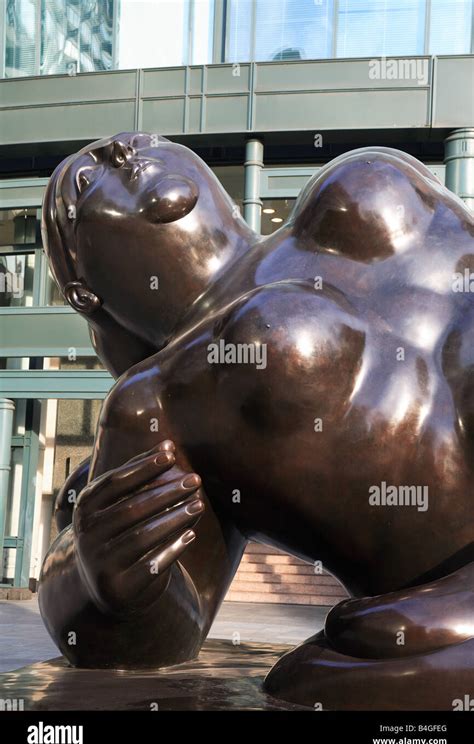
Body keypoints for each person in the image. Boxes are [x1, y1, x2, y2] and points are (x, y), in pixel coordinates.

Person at [39, 132, 474, 709]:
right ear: (83, 293)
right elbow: (158, 636)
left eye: (132, 141)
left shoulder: (340, 188)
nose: (120, 155)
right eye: (86, 182)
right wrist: (91, 576)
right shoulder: (152, 407)